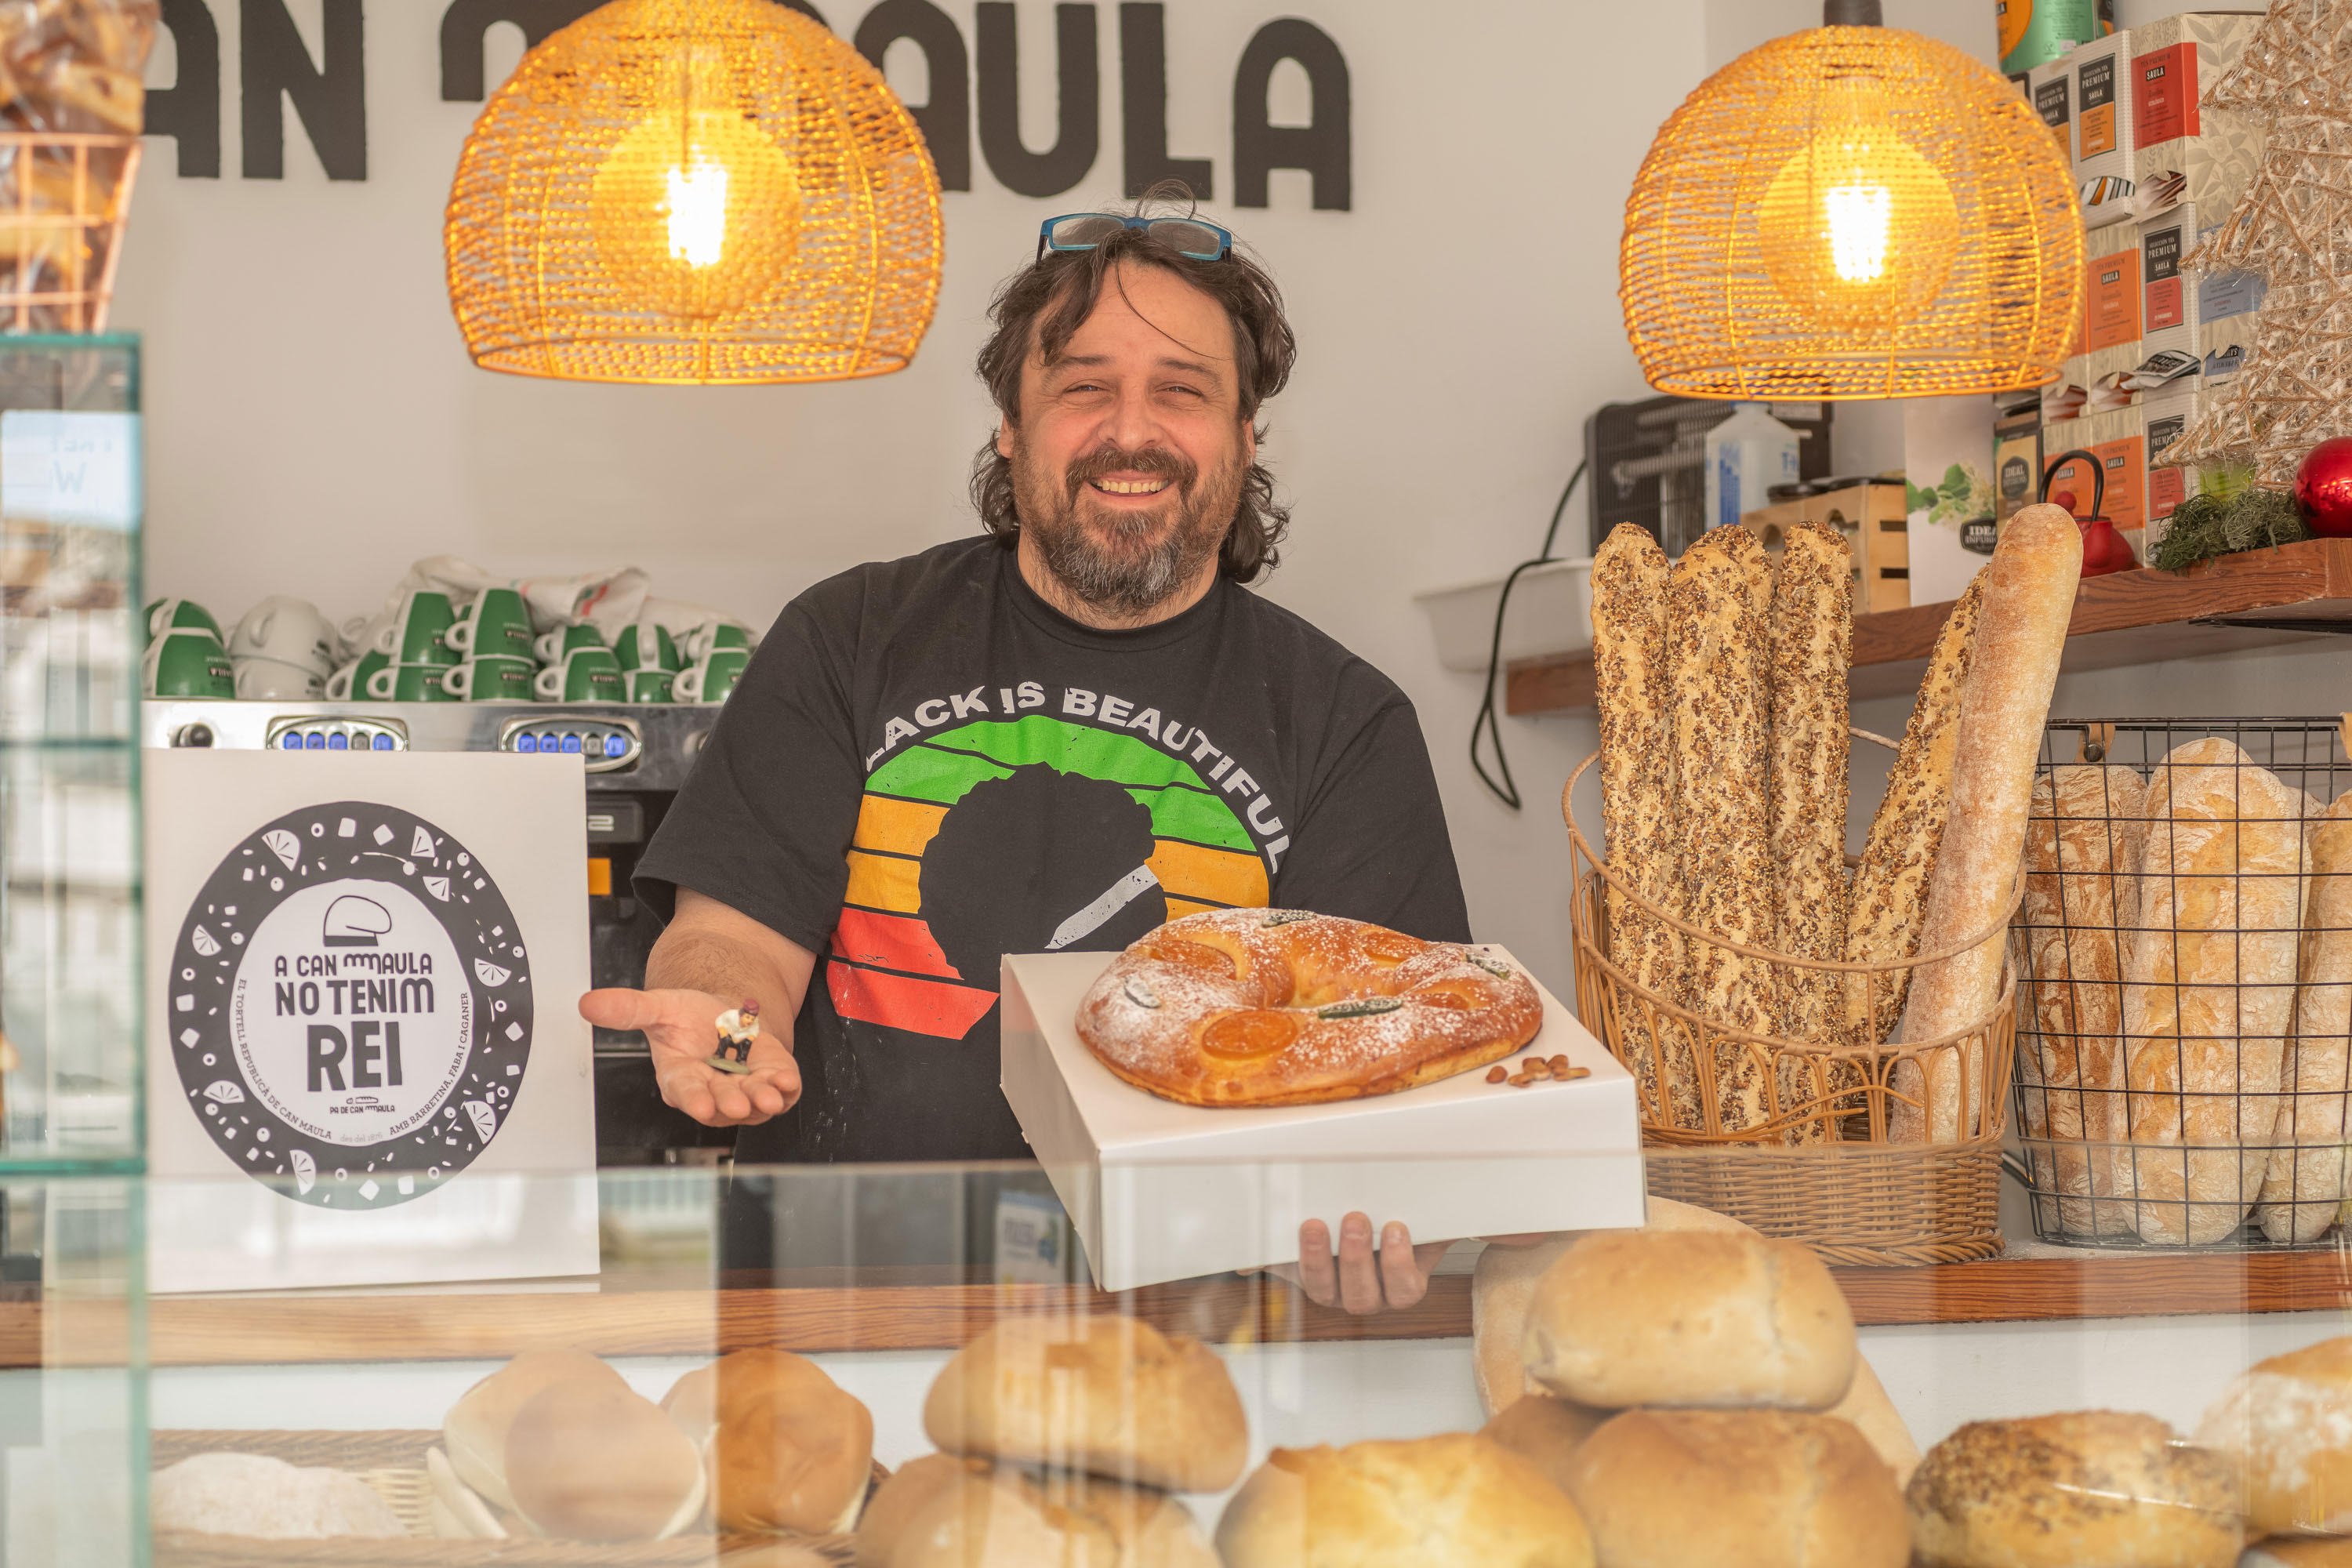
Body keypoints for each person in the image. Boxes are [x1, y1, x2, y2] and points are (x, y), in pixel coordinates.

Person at [582, 201, 1467, 1312]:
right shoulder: (851, 637)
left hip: (1190, 1335)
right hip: (840, 1311)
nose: (1129, 431)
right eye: (1083, 386)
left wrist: (1379, 1206)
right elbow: (730, 946)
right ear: (1012, 426)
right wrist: (722, 1035)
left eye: (1183, 390)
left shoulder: (1344, 720)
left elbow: (1377, 1057)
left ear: (1247, 438)